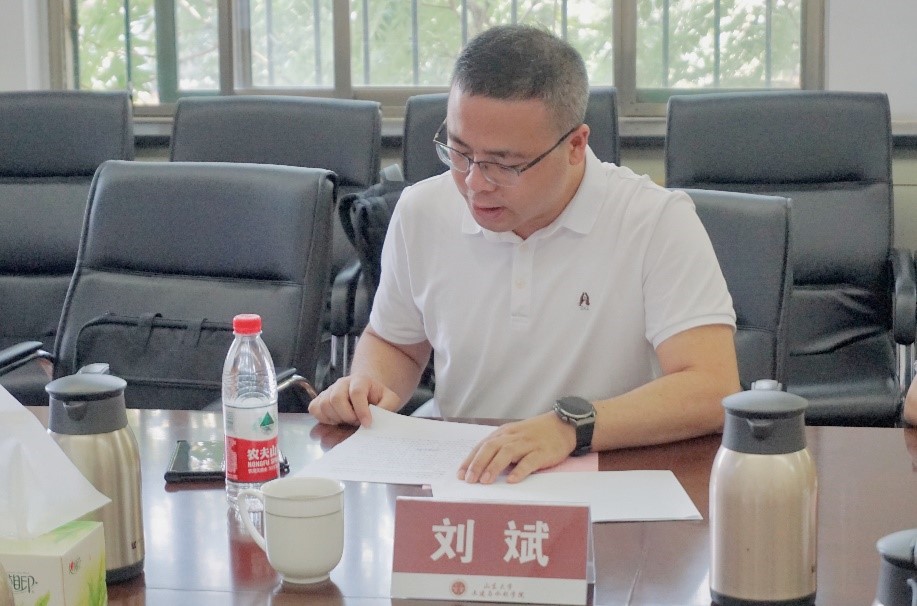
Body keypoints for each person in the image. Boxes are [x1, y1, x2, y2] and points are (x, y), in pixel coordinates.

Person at [309, 24, 741, 484]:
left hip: (608, 472)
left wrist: (570, 427)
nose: (475, 183)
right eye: (459, 152)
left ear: (575, 146)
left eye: (504, 165)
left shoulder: (655, 220)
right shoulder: (422, 211)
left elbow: (710, 387)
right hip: (467, 473)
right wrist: (368, 388)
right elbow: (395, 342)